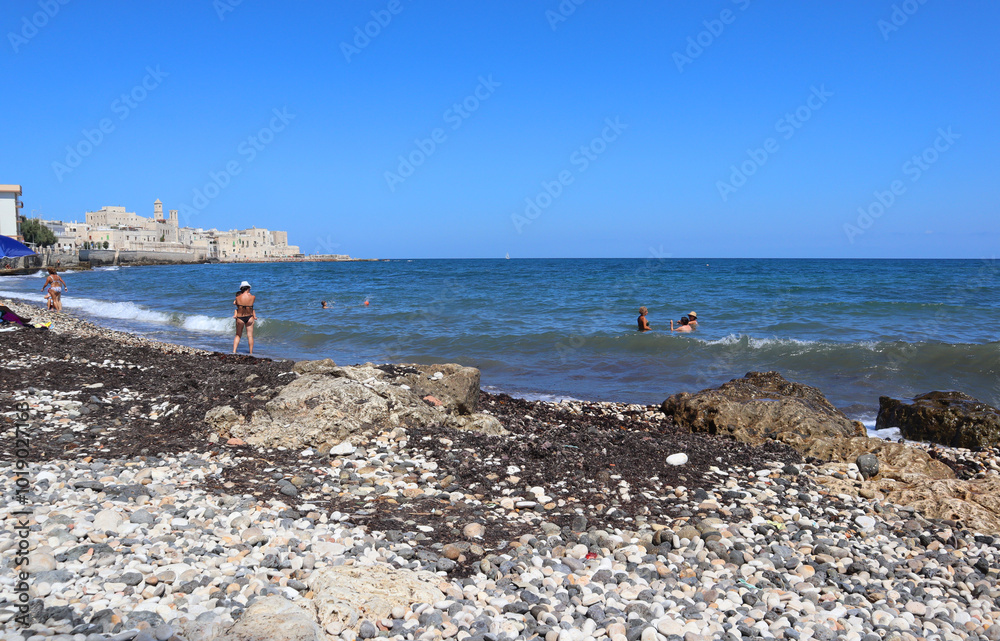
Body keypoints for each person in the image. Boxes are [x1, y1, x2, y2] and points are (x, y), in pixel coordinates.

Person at [232, 281, 256, 355]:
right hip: (250, 317)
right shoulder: (253, 297)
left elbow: (235, 303)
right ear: (248, 288)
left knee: (238, 335)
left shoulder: (237, 298)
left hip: (240, 317)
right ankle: (251, 353)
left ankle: (234, 351)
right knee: (250, 336)